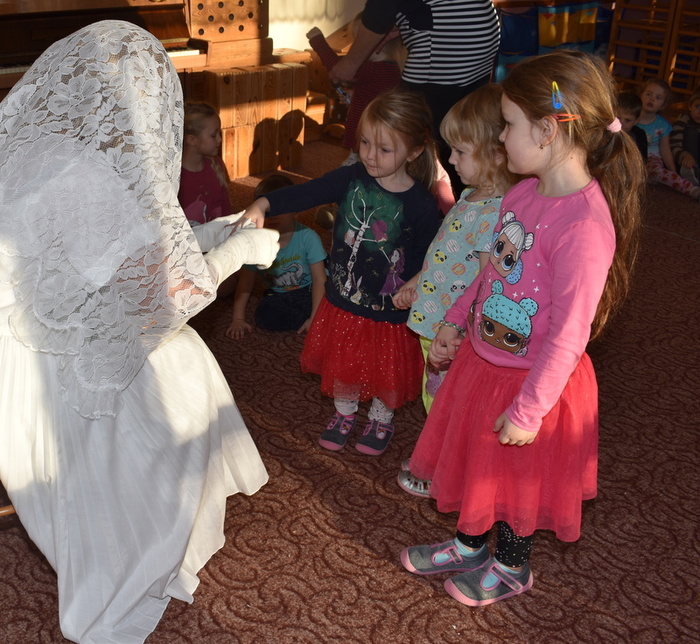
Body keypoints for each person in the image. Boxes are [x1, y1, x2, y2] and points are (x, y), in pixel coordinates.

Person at [0, 21, 279, 644]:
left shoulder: (35, 148)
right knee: (187, 368)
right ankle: (144, 525)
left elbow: (137, 255)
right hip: (48, 377)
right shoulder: (95, 180)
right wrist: (241, 252)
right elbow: (161, 300)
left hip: (12, 350)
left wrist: (215, 232)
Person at [400, 50, 644, 606]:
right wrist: (455, 320)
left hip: (535, 383)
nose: (501, 137)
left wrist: (530, 410)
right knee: (479, 463)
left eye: (508, 124)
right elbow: (492, 271)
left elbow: (570, 334)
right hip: (484, 361)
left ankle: (512, 566)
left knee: (517, 480)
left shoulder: (584, 226)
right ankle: (468, 545)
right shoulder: (521, 193)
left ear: (547, 129)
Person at [244, 89, 440, 456]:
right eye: (365, 142)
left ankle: (381, 418)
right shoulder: (351, 178)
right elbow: (309, 192)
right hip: (344, 302)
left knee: (385, 369)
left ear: (414, 152)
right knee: (344, 362)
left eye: (384, 149)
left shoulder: (422, 205)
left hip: (390, 312)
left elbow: (429, 257)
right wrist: (264, 202)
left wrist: (413, 288)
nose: (370, 155)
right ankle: (344, 413)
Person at [391, 84, 519, 497]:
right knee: (435, 396)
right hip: (435, 324)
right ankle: (439, 458)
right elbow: (447, 255)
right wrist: (418, 283)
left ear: (496, 154)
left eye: (461, 152)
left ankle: (440, 469)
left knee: (446, 404)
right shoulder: (470, 197)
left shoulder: (495, 213)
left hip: (451, 334)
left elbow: (486, 285)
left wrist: (458, 330)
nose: (451, 159)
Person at [329, 0, 501, 194]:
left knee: (411, 135)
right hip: (478, 30)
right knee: (464, 133)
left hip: (444, 42)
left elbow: (381, 10)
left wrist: (349, 64)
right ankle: (481, 203)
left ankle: (406, 202)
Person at [226, 174, 327, 338]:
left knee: (331, 297)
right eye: (267, 211)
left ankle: (320, 313)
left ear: (295, 209)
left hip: (310, 288)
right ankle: (316, 315)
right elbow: (246, 282)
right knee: (264, 316)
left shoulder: (308, 237)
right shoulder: (254, 242)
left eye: (279, 209)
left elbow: (319, 280)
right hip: (279, 293)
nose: (273, 216)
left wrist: (314, 318)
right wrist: (238, 318)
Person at [307, 17, 404, 165]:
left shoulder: (373, 69)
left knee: (350, 173)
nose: (355, 47)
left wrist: (317, 40)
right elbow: (376, 97)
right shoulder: (392, 69)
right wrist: (355, 96)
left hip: (365, 142)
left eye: (359, 42)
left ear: (377, 45)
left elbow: (338, 69)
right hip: (377, 138)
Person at [636, 79, 700, 201]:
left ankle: (691, 189)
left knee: (656, 171)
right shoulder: (630, 118)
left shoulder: (663, 124)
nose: (652, 99)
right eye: (648, 94)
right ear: (641, 95)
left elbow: (665, 149)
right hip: (632, 157)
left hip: (652, 158)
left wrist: (672, 171)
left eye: (658, 97)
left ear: (663, 105)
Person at [178, 101, 232, 225]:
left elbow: (225, 207)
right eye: (214, 135)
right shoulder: (176, 175)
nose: (220, 139)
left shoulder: (216, 164)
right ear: (192, 139)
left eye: (219, 133)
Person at [669, 89, 700, 186]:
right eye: (698, 107)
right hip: (683, 159)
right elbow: (673, 144)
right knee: (691, 133)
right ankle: (691, 171)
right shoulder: (683, 120)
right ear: (690, 106)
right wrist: (684, 156)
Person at [616, 91, 648, 160]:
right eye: (618, 118)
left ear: (636, 121)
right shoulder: (606, 131)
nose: (621, 123)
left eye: (627, 120)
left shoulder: (639, 135)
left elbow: (642, 160)